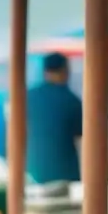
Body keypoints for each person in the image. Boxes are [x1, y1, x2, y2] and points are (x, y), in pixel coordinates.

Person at [26, 53, 83, 184]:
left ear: (45, 71)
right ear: (65, 71)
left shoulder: (29, 97)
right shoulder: (72, 100)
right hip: (65, 174)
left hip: (34, 172)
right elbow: (82, 140)